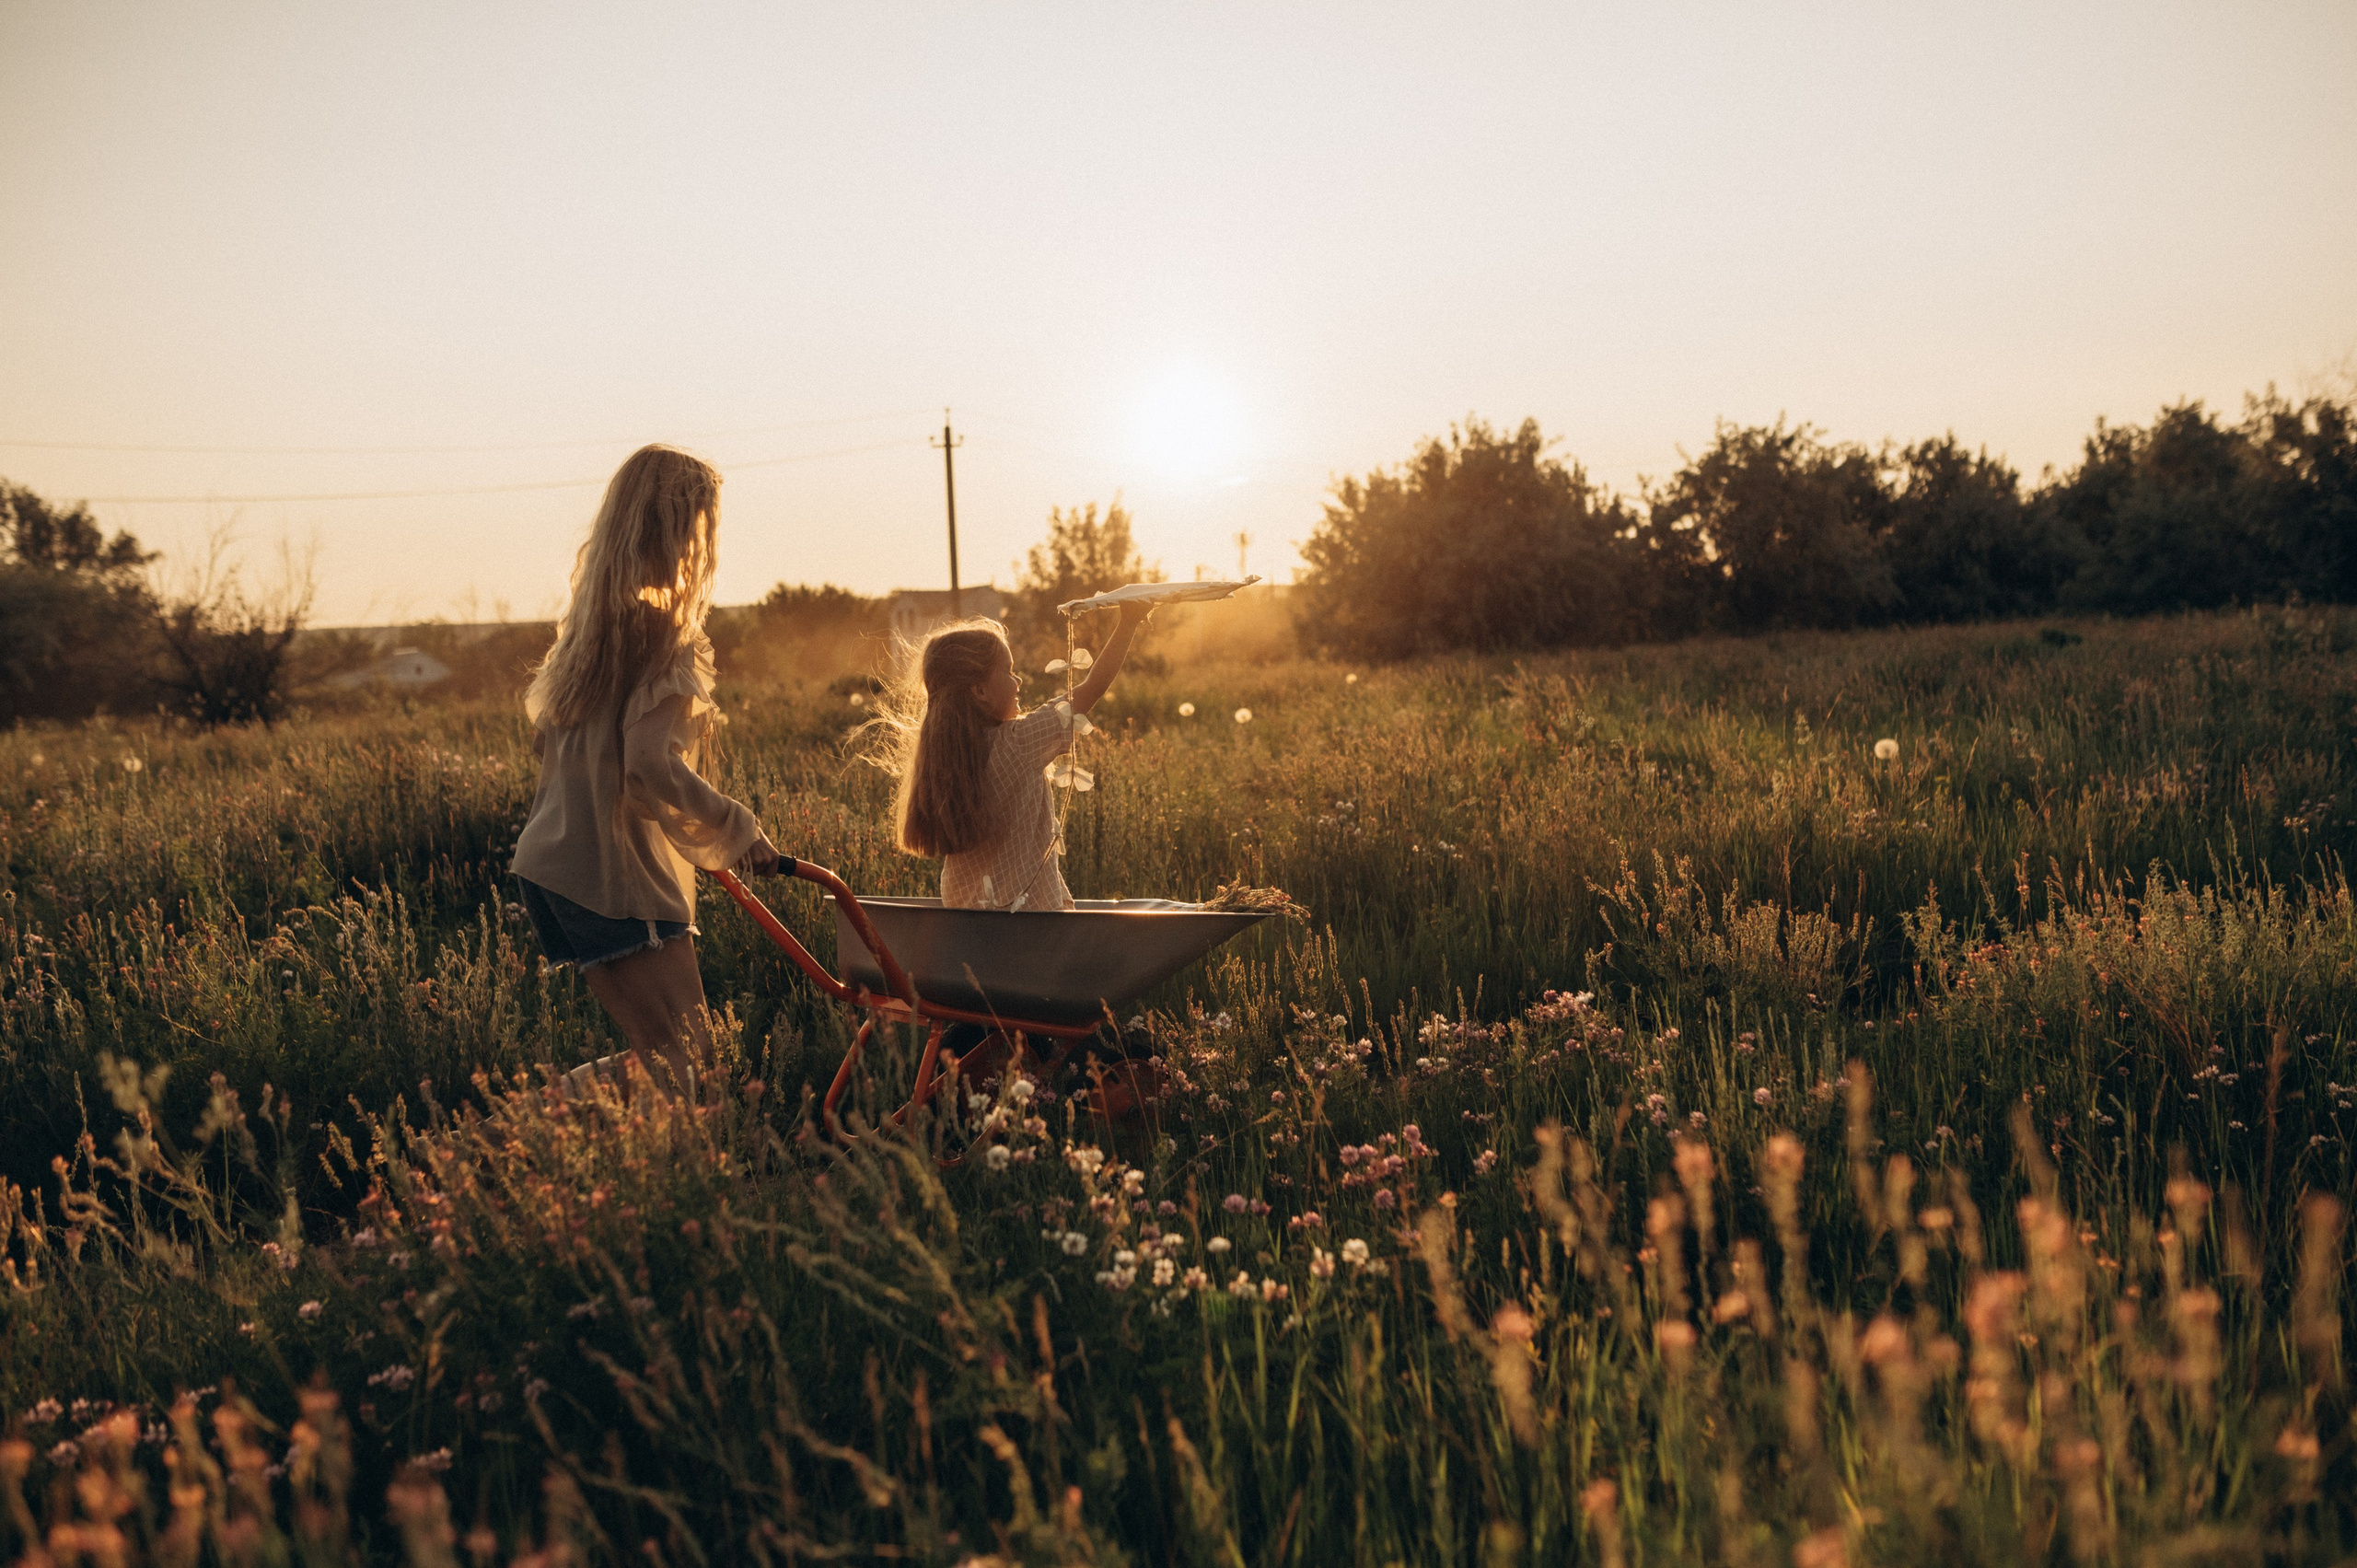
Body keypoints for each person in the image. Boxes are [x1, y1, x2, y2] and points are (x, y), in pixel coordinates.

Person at [509, 444, 783, 1091]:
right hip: (611, 877)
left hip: (552, 869)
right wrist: (738, 830)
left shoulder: (589, 634)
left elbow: (545, 747)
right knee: (692, 1058)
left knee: (663, 1054)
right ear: (683, 533)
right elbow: (648, 768)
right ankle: (498, 1151)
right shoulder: (663, 638)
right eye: (700, 526)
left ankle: (503, 1146)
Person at [889, 601, 1151, 911]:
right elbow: (1091, 688)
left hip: (967, 926)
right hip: (1030, 924)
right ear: (980, 691)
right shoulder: (1018, 744)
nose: (1019, 681)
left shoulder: (943, 762)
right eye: (1009, 671)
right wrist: (1129, 622)